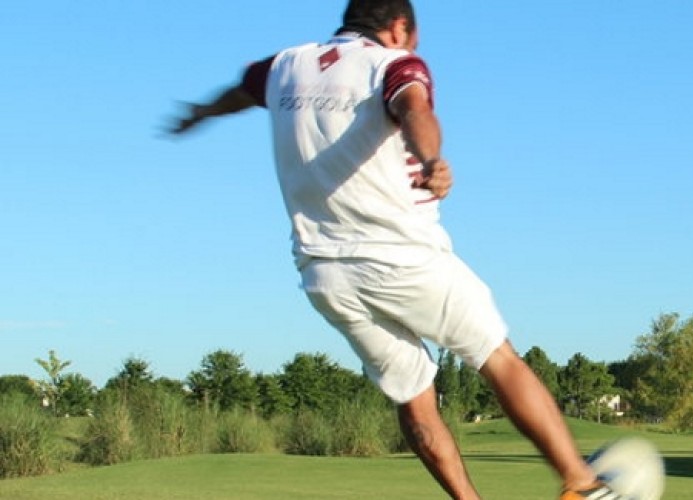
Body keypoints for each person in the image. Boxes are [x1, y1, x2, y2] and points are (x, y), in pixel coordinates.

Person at [167, 1, 619, 499]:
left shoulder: (283, 66)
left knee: (415, 401)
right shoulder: (393, 64)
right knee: (498, 357)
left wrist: (200, 113)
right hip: (404, 258)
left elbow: (240, 92)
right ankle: (581, 483)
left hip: (326, 277)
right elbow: (413, 107)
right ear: (398, 27)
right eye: (415, 35)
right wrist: (433, 159)